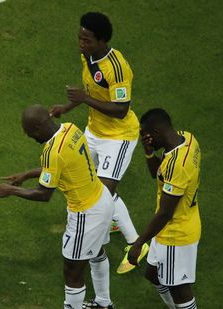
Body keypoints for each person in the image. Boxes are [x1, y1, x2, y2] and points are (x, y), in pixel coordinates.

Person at [50, 11, 149, 277]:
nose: (81, 44)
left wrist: (82, 99)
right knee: (87, 184)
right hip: (93, 132)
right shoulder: (89, 56)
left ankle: (137, 244)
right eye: (80, 38)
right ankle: (112, 223)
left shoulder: (117, 68)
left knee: (103, 193)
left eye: (87, 40)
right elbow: (90, 92)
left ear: (102, 40)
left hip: (118, 137)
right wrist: (67, 106)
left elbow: (120, 109)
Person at [0, 105, 115, 309]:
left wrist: (11, 191)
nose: (30, 138)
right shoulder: (71, 129)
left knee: (71, 271)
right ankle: (104, 303)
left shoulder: (51, 151)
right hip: (103, 199)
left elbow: (43, 194)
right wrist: (26, 174)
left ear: (38, 128)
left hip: (86, 213)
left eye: (29, 134)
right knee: (97, 252)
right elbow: (62, 165)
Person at [128, 108, 201, 309]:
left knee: (180, 292)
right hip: (176, 225)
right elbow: (158, 175)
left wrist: (139, 243)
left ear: (157, 133)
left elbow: (165, 213)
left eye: (147, 136)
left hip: (176, 233)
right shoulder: (188, 138)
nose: (146, 139)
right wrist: (150, 152)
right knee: (152, 274)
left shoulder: (178, 165)